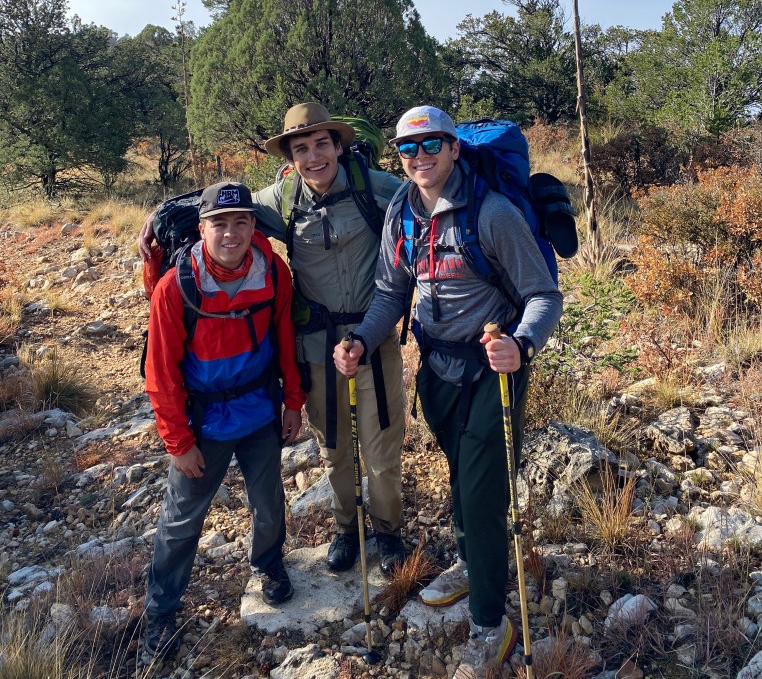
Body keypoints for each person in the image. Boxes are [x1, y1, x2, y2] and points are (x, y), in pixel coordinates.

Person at [333, 105, 563, 675]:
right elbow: (391, 292)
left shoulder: (493, 212)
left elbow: (543, 296)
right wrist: (361, 338)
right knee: (461, 472)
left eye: (432, 145)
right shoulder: (401, 213)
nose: (420, 158)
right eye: (408, 149)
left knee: (483, 487)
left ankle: (491, 620)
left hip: (494, 369)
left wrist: (523, 345)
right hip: (436, 368)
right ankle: (470, 560)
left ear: (455, 148)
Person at [139, 103, 407, 576]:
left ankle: (387, 531)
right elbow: (225, 204)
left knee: (382, 451)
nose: (314, 157)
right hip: (319, 348)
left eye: (322, 144)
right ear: (289, 156)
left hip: (374, 337)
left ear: (339, 146)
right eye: (301, 148)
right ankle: (347, 529)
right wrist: (162, 214)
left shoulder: (376, 189)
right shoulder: (280, 198)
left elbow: (426, 195)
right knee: (335, 450)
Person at [142, 182, 304, 664]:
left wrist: (293, 402)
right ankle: (161, 612)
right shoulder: (177, 286)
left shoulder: (273, 271)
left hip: (258, 411)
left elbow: (285, 337)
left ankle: (269, 566)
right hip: (202, 422)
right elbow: (160, 374)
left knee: (269, 500)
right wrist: (177, 441)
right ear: (202, 227)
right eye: (219, 223)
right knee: (180, 522)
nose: (230, 233)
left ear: (254, 225)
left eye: (241, 222)